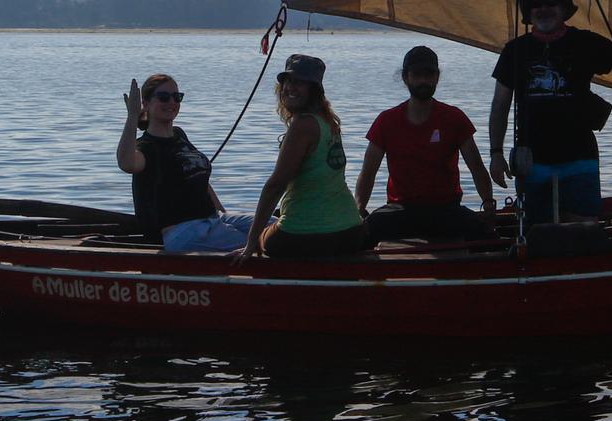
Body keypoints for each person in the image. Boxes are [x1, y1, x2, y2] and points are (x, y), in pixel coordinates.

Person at [489, 0, 612, 221]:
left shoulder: (585, 42)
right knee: (536, 229)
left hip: (579, 157)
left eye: (551, 3)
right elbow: (500, 106)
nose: (543, 9)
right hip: (532, 160)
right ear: (528, 12)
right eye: (536, 5)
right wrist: (496, 154)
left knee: (585, 225)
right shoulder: (514, 50)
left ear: (564, 10)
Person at [355, 45, 498, 242]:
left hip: (446, 208)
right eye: (417, 74)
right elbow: (368, 173)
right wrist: (358, 209)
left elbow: (477, 168)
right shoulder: (386, 120)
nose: (423, 80)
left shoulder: (454, 117)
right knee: (364, 234)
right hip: (401, 209)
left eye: (429, 74)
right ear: (405, 78)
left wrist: (488, 204)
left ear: (437, 77)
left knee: (486, 236)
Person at [236, 53, 370, 260]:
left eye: (300, 83)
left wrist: (251, 242)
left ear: (313, 90)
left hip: (310, 235)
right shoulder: (328, 121)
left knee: (262, 238)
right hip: (352, 230)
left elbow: (276, 185)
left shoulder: (303, 125)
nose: (290, 87)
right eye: (288, 81)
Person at [115, 73, 253, 253]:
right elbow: (126, 163)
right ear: (146, 104)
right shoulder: (147, 147)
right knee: (262, 241)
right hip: (182, 231)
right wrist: (132, 117)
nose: (171, 102)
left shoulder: (179, 134)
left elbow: (198, 178)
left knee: (274, 227)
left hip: (212, 220)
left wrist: (221, 212)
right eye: (164, 97)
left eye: (176, 97)